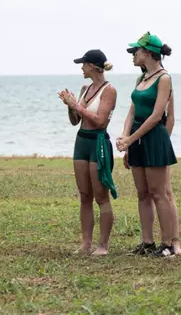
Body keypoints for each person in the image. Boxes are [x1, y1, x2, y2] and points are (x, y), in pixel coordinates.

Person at [116, 32, 178, 258]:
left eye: (136, 51)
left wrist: (131, 139)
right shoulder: (140, 79)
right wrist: (125, 137)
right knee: (142, 193)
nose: (133, 55)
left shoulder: (164, 78)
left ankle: (168, 244)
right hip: (137, 138)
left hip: (154, 137)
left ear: (149, 53)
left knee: (158, 193)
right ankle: (147, 241)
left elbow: (156, 116)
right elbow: (132, 111)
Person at [58, 49, 118, 256]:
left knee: (101, 196)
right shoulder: (85, 88)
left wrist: (77, 106)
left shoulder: (109, 90)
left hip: (98, 143)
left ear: (93, 66)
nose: (81, 68)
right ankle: (86, 243)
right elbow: (76, 121)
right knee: (84, 195)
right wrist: (70, 106)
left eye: (83, 64)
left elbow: (100, 121)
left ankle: (103, 245)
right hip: (81, 142)